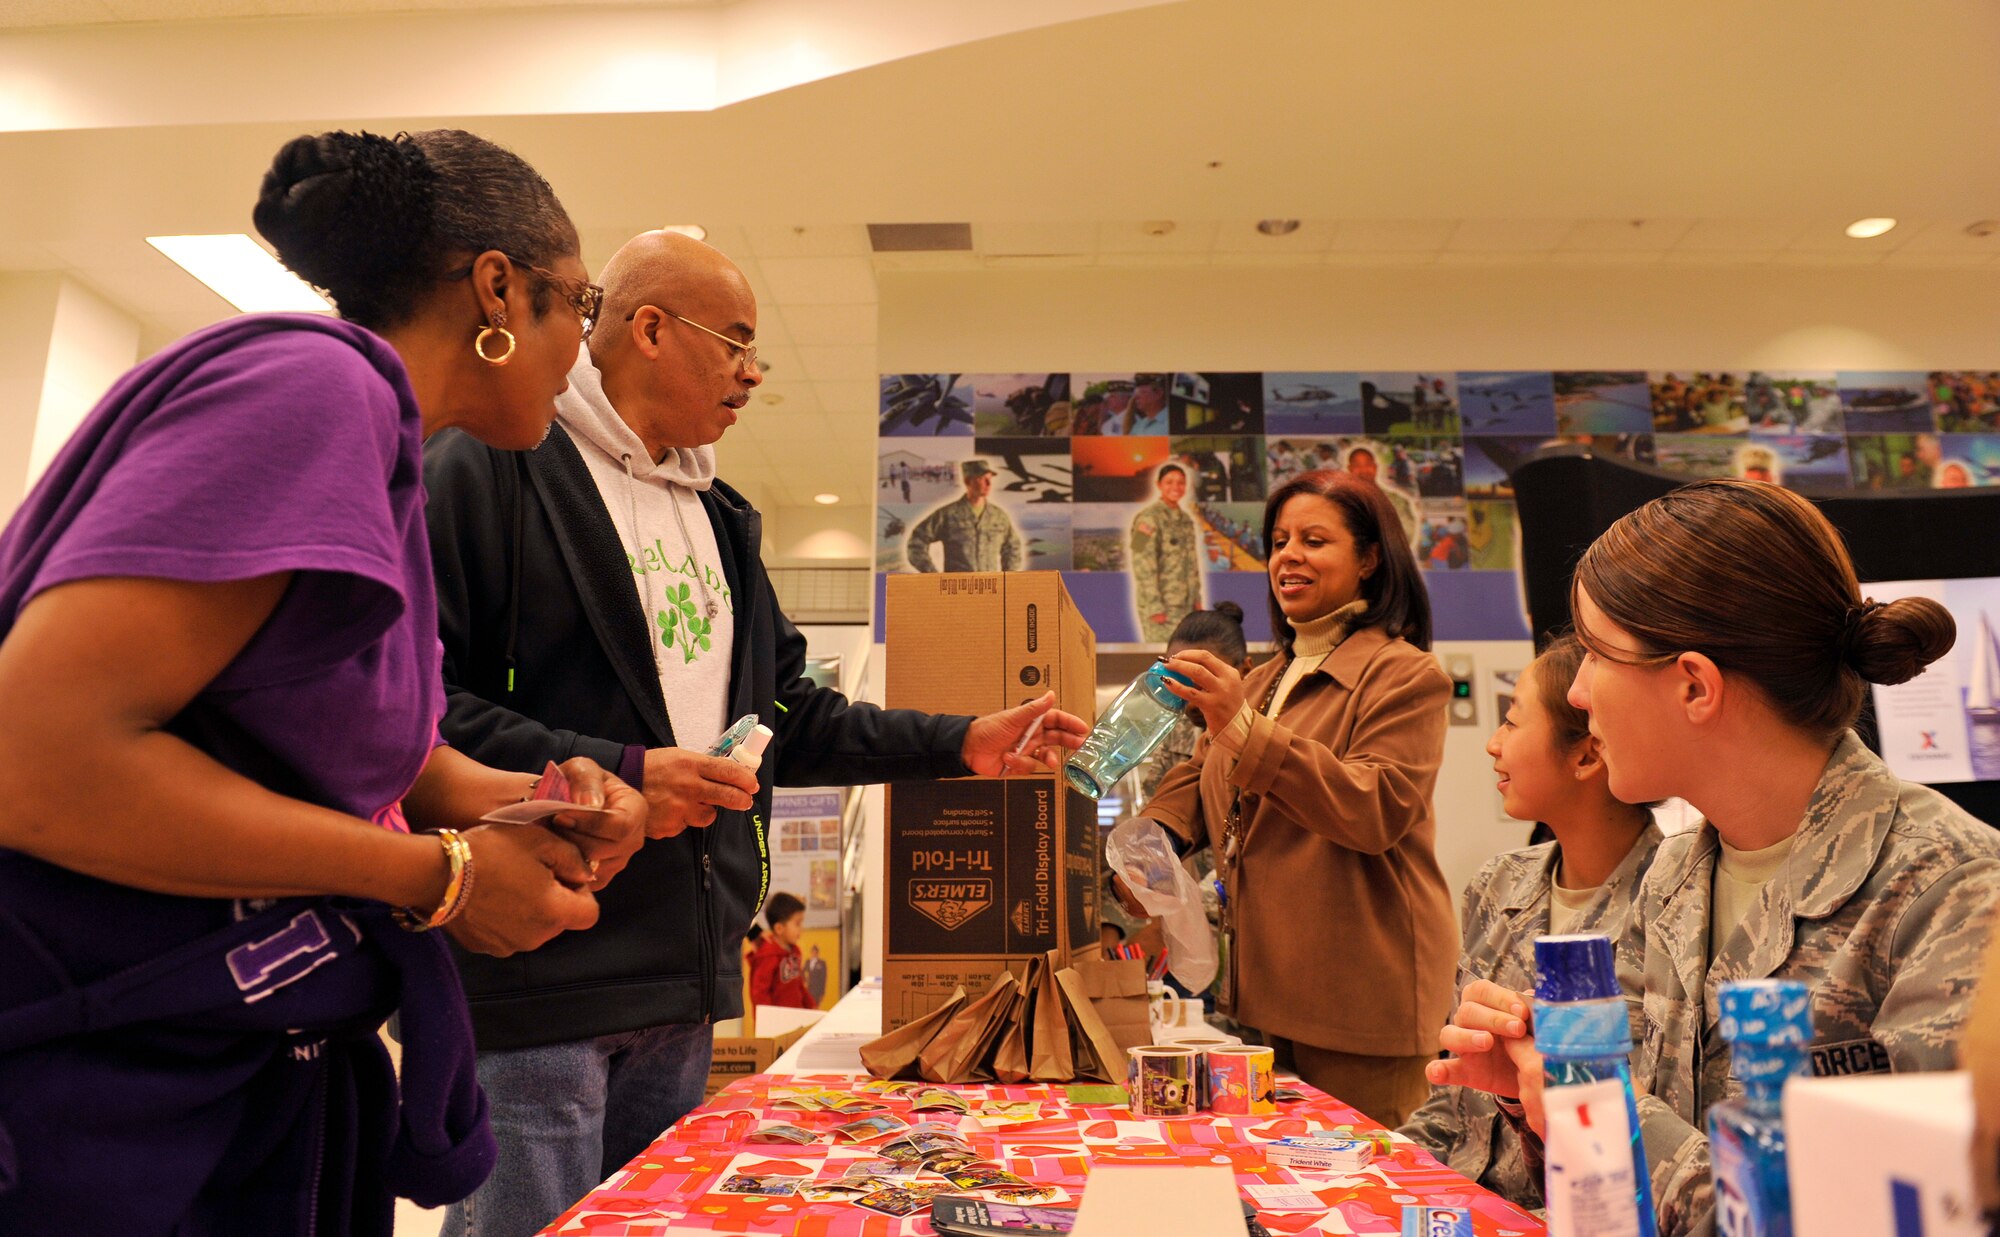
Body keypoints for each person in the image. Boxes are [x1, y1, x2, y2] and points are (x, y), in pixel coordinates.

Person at [0, 129, 652, 1235]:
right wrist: (438, 876)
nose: (581, 355)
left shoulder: (376, 438)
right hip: (106, 1093)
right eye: (579, 309)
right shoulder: (313, 387)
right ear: (500, 288)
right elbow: (36, 759)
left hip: (225, 1075)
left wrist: (516, 798)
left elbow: (330, 741)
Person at [424, 229, 1087, 1237]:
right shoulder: (491, 464)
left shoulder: (720, 513)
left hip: (685, 986)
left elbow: (789, 716)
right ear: (648, 328)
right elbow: (419, 705)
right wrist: (627, 770)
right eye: (733, 340)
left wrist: (961, 742)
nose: (751, 371)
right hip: (538, 977)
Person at [1429, 479, 2000, 1237]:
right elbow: (1615, 1198)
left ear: (1694, 684)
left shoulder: (1954, 891)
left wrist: (1604, 1109)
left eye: (1597, 656)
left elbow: (1898, 1216)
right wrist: (1534, 1091)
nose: (1580, 694)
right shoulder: (1672, 876)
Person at [1128, 469, 1455, 1127]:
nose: (1288, 555)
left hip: (1363, 1007)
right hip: (1263, 999)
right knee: (1285, 1199)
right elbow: (1199, 777)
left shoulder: (1405, 674)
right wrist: (1148, 846)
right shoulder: (1265, 677)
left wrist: (1245, 729)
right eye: (1278, 541)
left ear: (1368, 559)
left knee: (1365, 1206)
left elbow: (1377, 806)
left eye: (1314, 539)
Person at [1398, 634, 1663, 1211]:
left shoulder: (1669, 906)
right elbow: (1451, 1103)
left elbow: (1641, 1152)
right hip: (1457, 1202)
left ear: (1588, 754)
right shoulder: (1497, 884)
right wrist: (1377, 1169)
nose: (1494, 744)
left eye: (1513, 722)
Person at [905, 459, 1025, 572]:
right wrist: (931, 573)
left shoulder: (999, 516)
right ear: (968, 481)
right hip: (958, 589)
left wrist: (1008, 578)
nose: (988, 483)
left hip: (990, 588)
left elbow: (1012, 547)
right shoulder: (948, 514)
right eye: (982, 479)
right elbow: (916, 542)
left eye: (989, 479)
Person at [1130, 464, 1205, 641]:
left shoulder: (1186, 520)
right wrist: (1154, 607)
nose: (1175, 487)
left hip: (1186, 608)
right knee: (1161, 663)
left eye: (1180, 483)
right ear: (1159, 485)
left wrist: (1196, 600)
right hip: (1162, 608)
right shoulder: (1147, 518)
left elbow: (1192, 564)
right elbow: (1141, 563)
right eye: (1169, 482)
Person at [750, 892, 815, 1010]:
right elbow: (759, 994)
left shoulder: (794, 952)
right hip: (775, 1024)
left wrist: (811, 1005)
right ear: (779, 928)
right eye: (797, 923)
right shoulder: (768, 955)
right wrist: (768, 1021)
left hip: (794, 1017)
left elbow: (798, 984)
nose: (802, 928)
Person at [804, 942, 829, 1007]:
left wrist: (822, 992)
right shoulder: (807, 962)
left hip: (817, 990)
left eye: (815, 952)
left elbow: (823, 978)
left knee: (815, 1006)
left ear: (817, 953)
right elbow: (803, 973)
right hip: (808, 989)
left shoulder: (821, 963)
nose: (814, 953)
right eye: (813, 952)